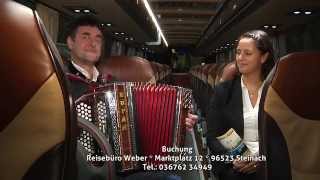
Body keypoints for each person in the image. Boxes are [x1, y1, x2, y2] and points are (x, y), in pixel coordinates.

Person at [65, 15, 198, 179]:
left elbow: (150, 118)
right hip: (85, 170)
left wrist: (179, 119)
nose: (93, 43)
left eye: (98, 38)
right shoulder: (62, 84)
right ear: (70, 42)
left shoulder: (113, 84)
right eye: (85, 36)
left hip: (126, 167)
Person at [206, 30, 275, 180]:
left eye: (247, 53)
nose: (240, 58)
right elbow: (212, 136)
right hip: (234, 164)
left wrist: (259, 158)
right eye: (238, 53)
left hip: (270, 161)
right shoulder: (223, 91)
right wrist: (235, 158)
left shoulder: (276, 92)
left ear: (263, 57)